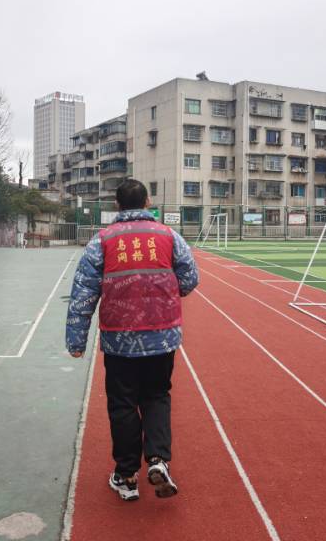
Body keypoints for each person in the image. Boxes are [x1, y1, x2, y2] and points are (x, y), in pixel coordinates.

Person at [65, 179, 199, 501]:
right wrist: (169, 290)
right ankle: (158, 459)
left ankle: (126, 476)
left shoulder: (102, 241)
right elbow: (190, 278)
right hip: (162, 335)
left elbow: (83, 294)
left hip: (119, 340)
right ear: (148, 202)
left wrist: (76, 341)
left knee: (123, 403)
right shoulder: (169, 236)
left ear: (117, 204)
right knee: (157, 395)